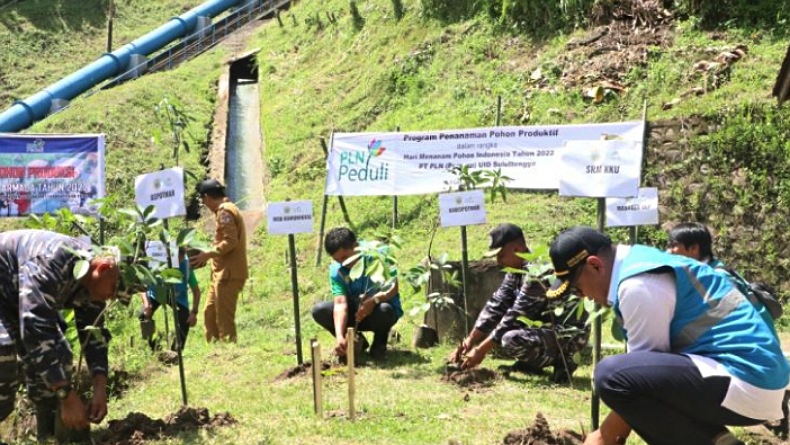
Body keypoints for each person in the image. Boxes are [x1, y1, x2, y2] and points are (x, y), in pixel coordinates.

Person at [546, 226, 789, 445]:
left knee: (611, 376)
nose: (583, 296)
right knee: (625, 378)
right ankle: (720, 441)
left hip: (746, 377)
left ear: (595, 265)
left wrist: (604, 436)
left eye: (577, 288)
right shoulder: (641, 261)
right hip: (753, 378)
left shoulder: (638, 285)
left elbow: (638, 381)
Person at [0, 230, 119, 442]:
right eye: (114, 287)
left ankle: (49, 436)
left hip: (10, 300)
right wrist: (67, 396)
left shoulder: (91, 281)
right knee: (3, 355)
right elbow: (34, 328)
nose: (112, 296)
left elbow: (93, 334)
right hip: (8, 294)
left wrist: (99, 388)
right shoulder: (53, 260)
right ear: (103, 267)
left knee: (60, 355)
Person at [449, 223, 589, 383]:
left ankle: (564, 362)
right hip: (547, 330)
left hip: (570, 335)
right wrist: (470, 341)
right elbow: (496, 305)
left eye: (501, 255)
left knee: (510, 339)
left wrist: (481, 350)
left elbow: (516, 315)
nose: (498, 261)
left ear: (516, 249)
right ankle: (532, 365)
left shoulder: (537, 272)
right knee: (508, 333)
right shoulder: (516, 271)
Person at [311, 227, 403, 361]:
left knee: (385, 310)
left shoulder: (381, 254)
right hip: (355, 314)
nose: (343, 263)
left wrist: (373, 301)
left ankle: (379, 344)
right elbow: (340, 304)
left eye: (345, 257)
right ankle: (354, 341)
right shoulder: (337, 270)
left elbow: (393, 287)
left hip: (379, 312)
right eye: (338, 260)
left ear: (356, 246)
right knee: (319, 310)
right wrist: (339, 336)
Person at [189, 179, 248, 342]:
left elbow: (231, 241)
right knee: (210, 313)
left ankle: (227, 350)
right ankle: (214, 348)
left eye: (203, 200)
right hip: (220, 274)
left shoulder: (225, 211)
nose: (205, 205)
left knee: (224, 318)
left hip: (228, 274)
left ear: (207, 197)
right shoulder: (226, 210)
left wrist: (208, 254)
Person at [139, 247, 201, 351]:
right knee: (143, 316)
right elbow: (142, 287)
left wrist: (194, 312)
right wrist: (146, 304)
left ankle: (176, 351)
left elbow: (196, 291)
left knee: (186, 319)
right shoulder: (157, 262)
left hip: (178, 298)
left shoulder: (186, 266)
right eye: (175, 259)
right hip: (156, 294)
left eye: (180, 259)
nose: (177, 263)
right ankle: (154, 348)